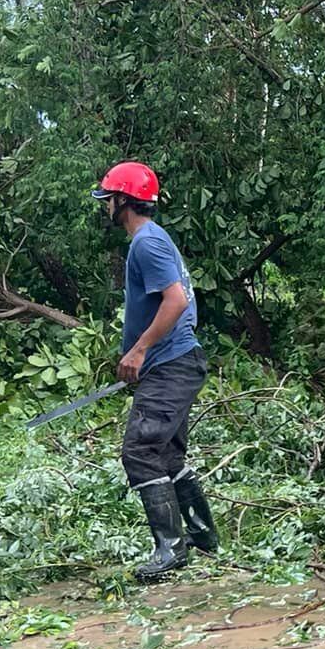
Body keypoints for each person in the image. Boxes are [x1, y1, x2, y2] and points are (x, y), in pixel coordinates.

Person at [95, 161, 216, 581]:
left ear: (123, 201)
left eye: (108, 199)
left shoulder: (146, 243)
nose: (105, 206)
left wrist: (139, 351)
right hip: (175, 365)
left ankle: (171, 550)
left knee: (140, 452)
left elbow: (176, 301)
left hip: (171, 367)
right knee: (166, 454)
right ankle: (203, 537)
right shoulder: (152, 239)